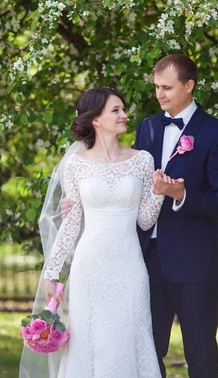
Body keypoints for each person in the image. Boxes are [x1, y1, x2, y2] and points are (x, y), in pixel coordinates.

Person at [22, 86, 167, 378]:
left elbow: (144, 221)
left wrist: (160, 193)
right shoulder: (75, 164)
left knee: (129, 337)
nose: (124, 115)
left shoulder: (143, 160)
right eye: (116, 110)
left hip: (129, 265)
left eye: (124, 109)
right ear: (96, 120)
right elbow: (71, 223)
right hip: (89, 267)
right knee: (90, 342)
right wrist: (53, 272)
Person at [135, 53, 218, 378]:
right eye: (156, 87)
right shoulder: (148, 127)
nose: (160, 94)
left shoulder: (216, 133)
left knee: (200, 351)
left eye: (167, 87)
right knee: (147, 350)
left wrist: (182, 195)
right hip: (146, 260)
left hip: (195, 262)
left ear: (189, 85)